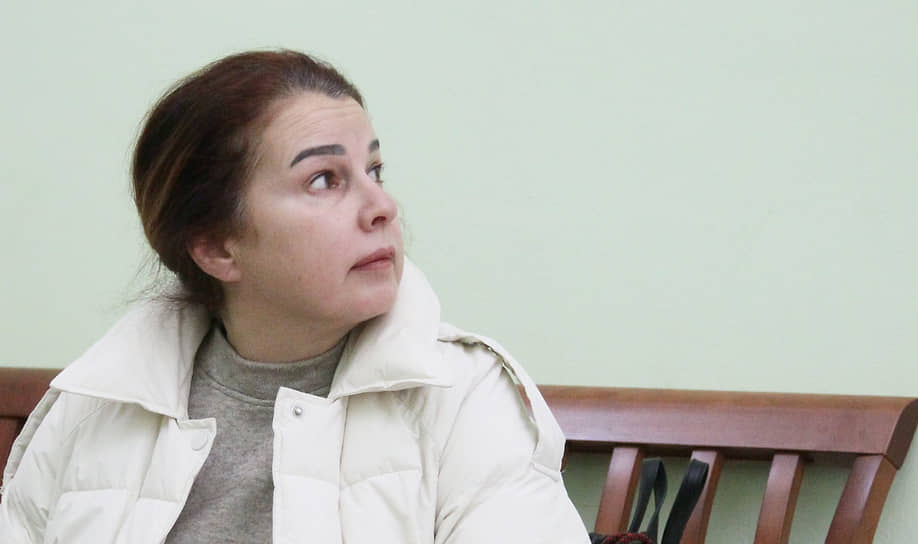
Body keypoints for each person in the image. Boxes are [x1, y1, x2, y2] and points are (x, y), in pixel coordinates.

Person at [0, 50, 589, 543]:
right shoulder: (93, 406)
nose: (383, 207)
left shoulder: (464, 397)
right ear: (217, 247)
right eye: (324, 180)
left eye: (374, 170)